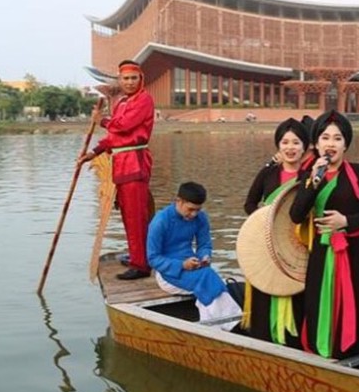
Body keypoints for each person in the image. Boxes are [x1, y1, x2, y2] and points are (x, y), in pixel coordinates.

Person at [289, 110, 359, 359]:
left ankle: (357, 355)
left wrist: (347, 221)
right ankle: (322, 351)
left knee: (358, 303)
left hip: (356, 252)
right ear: (317, 143)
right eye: (325, 138)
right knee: (320, 301)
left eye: (337, 138)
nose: (331, 144)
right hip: (322, 250)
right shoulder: (308, 175)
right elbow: (296, 215)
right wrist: (313, 181)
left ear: (345, 144)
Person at [79, 60, 155, 281]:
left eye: (134, 78)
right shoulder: (122, 103)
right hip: (121, 164)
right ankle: (136, 255)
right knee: (127, 214)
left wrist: (100, 120)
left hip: (135, 162)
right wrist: (94, 153)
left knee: (136, 214)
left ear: (141, 79)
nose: (130, 82)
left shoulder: (144, 100)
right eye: (125, 78)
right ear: (120, 81)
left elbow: (123, 126)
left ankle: (141, 265)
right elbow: (114, 137)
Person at [241, 118, 310, 345]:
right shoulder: (268, 174)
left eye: (296, 143)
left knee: (297, 292)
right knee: (265, 292)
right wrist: (264, 219)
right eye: (285, 142)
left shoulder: (310, 177)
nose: (290, 148)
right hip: (268, 245)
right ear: (278, 146)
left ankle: (294, 343)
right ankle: (264, 341)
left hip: (298, 245)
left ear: (305, 146)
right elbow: (250, 204)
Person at [147, 182, 241, 325]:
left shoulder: (201, 218)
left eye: (198, 210)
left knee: (209, 276)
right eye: (190, 209)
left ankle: (217, 323)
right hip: (168, 273)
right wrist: (182, 265)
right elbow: (153, 258)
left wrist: (205, 256)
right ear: (179, 201)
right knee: (208, 278)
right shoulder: (160, 221)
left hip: (193, 265)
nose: (194, 214)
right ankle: (230, 323)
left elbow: (204, 244)